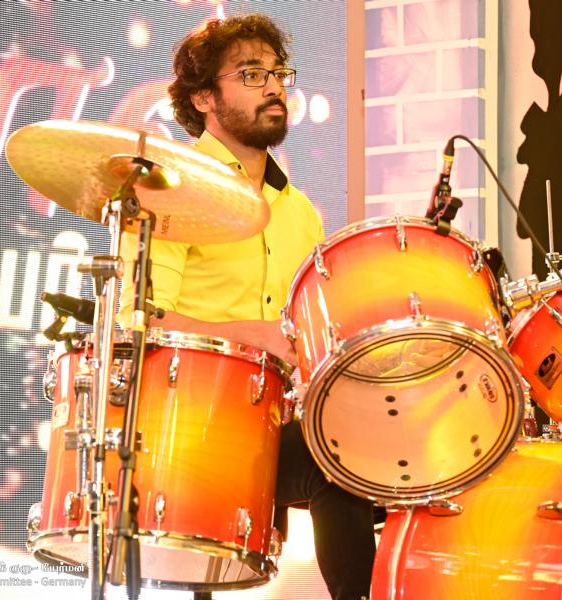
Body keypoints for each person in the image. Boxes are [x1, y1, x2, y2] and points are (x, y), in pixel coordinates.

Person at [116, 13, 375, 600]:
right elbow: (139, 318)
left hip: (265, 426)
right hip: (179, 430)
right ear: (204, 98)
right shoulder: (170, 187)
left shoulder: (300, 212)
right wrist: (253, 335)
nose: (274, 86)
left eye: (278, 73)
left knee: (354, 455)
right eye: (252, 74)